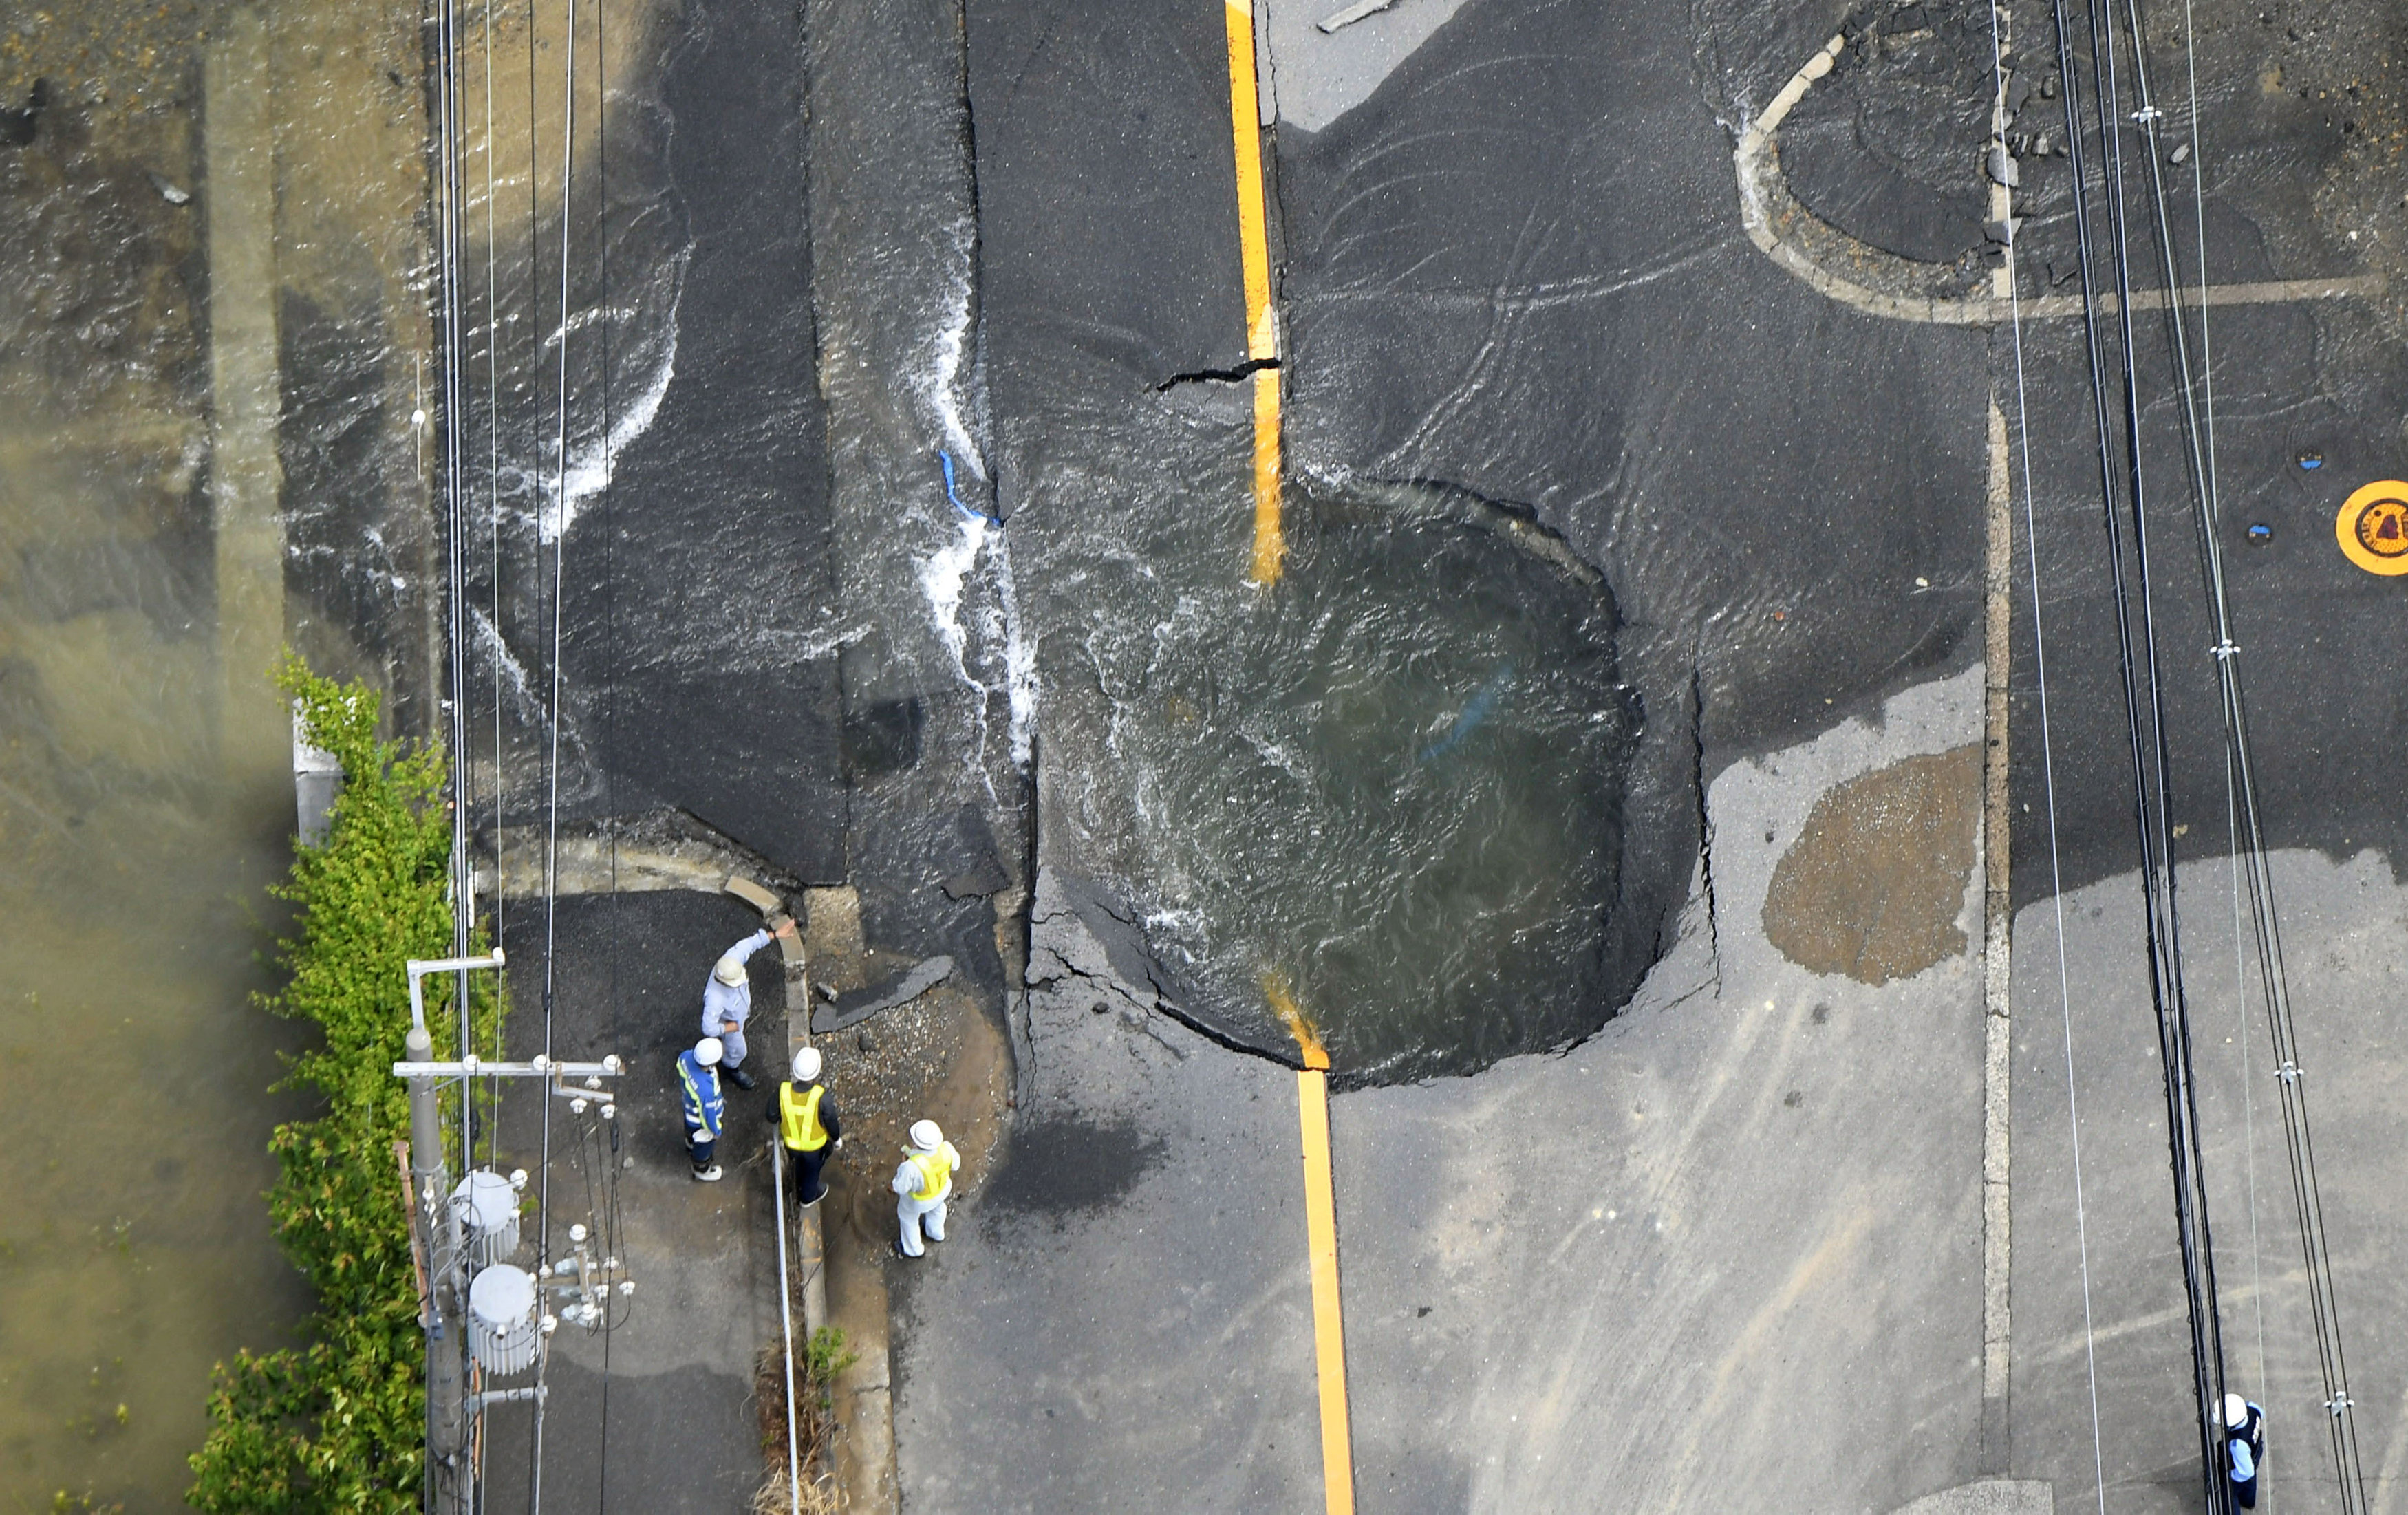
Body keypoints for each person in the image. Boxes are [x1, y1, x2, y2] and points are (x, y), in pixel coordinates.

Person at [700, 917, 797, 1090]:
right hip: (732, 1023)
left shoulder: (731, 960)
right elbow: (708, 1028)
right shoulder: (715, 999)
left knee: (734, 1045)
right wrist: (728, 1028)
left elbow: (749, 944)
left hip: (739, 1015)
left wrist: (775, 935)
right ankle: (732, 1068)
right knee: (738, 1051)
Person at [765, 1046, 842, 1207]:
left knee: (800, 1165)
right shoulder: (822, 1097)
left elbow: (771, 1115)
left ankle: (799, 1180)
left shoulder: (783, 1091)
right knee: (812, 1174)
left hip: (791, 1146)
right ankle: (807, 1198)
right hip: (814, 1149)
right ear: (817, 1072)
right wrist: (836, 1139)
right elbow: (831, 1123)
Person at [890, 1119, 961, 1260]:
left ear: (916, 1143)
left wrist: (903, 1164)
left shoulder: (911, 1166)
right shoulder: (946, 1149)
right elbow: (956, 1165)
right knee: (938, 1210)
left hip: (920, 1200)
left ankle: (913, 1249)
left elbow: (900, 1188)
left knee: (908, 1218)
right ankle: (936, 1233)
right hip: (942, 1192)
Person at [677, 1036, 727, 1182]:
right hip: (701, 1122)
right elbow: (708, 1115)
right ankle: (702, 1170)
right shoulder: (706, 1090)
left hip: (689, 1111)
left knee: (690, 1130)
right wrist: (715, 1130)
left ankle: (690, 1143)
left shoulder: (685, 1057)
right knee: (704, 1146)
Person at [2220, 1393, 2266, 1510]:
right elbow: (2261, 1413)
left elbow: (2246, 1472)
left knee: (2230, 1494)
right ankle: (2248, 1502)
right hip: (2255, 1451)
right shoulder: (2252, 1409)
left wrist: (2229, 1476)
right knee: (2251, 1482)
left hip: (2244, 1466)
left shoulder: (2237, 1445)